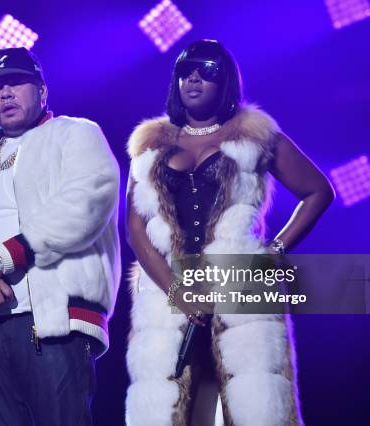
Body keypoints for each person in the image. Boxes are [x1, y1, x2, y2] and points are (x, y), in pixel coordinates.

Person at [125, 39, 335, 425]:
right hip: (167, 297)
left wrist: (271, 251)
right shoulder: (150, 145)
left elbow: (318, 191)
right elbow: (134, 228)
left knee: (254, 409)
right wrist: (177, 290)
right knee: (169, 409)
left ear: (226, 83)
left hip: (240, 289)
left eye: (208, 71)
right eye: (186, 71)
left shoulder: (254, 135)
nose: (195, 78)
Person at [0, 47, 121, 426]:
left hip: (54, 321)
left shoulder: (77, 134)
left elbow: (85, 202)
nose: (5, 93)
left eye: (16, 82)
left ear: (42, 90)